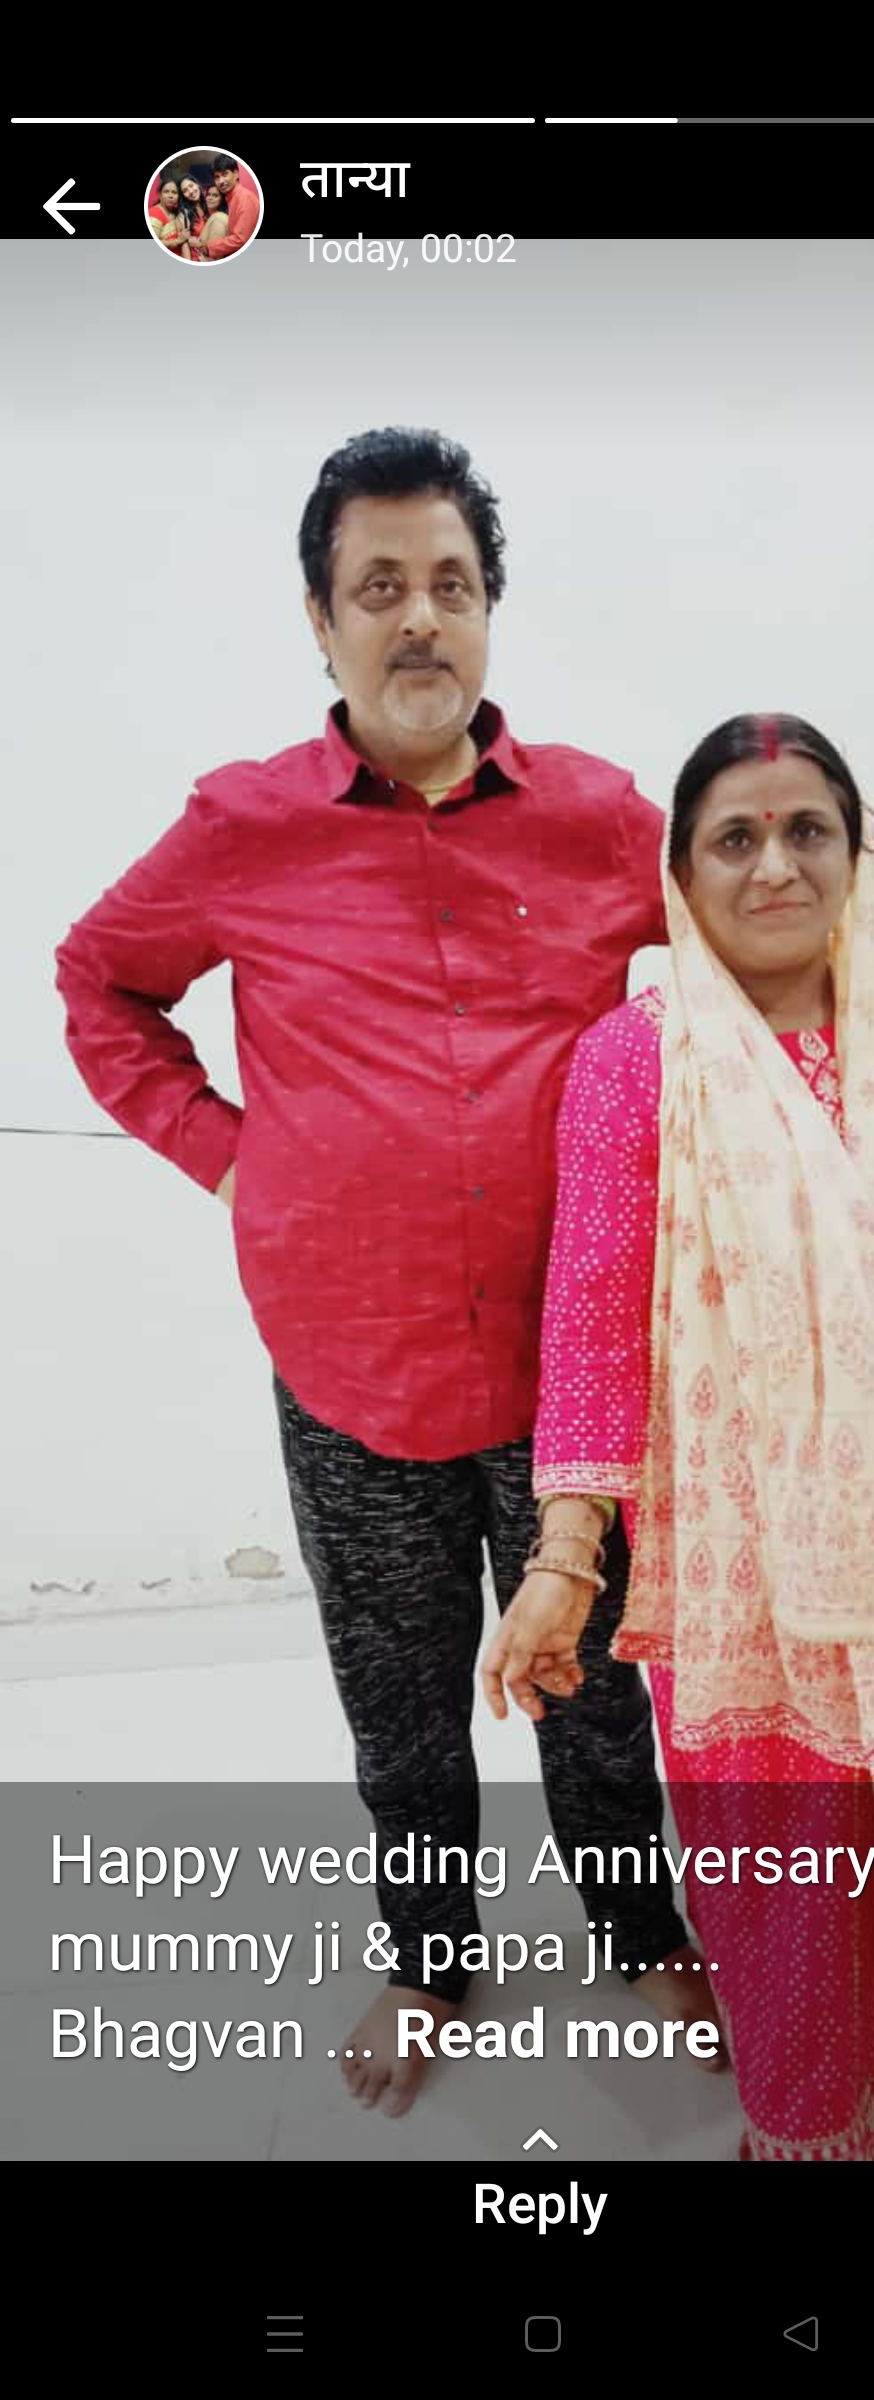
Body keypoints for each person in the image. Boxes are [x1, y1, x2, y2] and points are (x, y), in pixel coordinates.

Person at [54, 427, 713, 2122]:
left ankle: (641, 1925)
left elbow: (737, 955)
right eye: (380, 586)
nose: (420, 617)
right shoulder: (241, 826)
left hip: (572, 1374)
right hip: (351, 1364)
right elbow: (98, 982)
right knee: (401, 1701)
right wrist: (227, 1151)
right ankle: (429, 1955)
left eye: (452, 584)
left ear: (489, 609)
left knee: (597, 1690)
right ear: (321, 616)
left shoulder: (598, 817)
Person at [483, 711, 874, 2161]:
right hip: (754, 1552)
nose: (774, 867)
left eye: (807, 830)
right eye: (735, 838)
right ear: (683, 872)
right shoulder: (634, 1058)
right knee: (794, 1849)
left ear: (854, 853)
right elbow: (594, 1311)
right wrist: (567, 1554)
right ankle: (812, 2108)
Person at [201, 155, 258, 259]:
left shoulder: (244, 198)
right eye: (217, 177)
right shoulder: (230, 198)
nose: (221, 181)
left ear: (235, 174)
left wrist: (208, 247)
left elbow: (240, 239)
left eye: (225, 174)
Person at [147, 175, 192, 259]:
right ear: (160, 195)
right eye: (166, 192)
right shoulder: (154, 213)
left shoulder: (176, 213)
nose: (170, 196)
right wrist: (176, 241)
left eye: (174, 192)